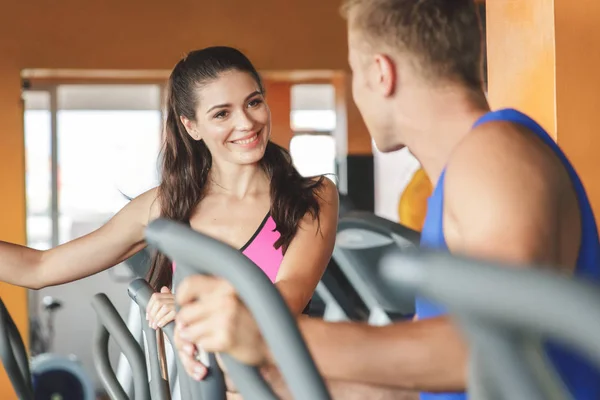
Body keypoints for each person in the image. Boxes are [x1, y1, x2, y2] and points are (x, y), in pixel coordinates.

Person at [172, 1, 600, 400]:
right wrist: (271, 376)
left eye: (354, 72)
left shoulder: (496, 153)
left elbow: (493, 345)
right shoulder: (462, 178)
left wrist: (270, 335)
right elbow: (419, 385)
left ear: (381, 73)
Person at [0, 46, 338, 394]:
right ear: (191, 126)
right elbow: (38, 269)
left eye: (253, 102)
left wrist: (194, 309)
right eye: (222, 114)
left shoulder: (312, 196)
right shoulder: (168, 206)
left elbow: (286, 298)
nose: (246, 123)